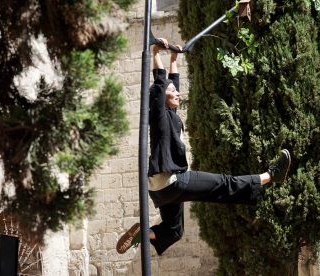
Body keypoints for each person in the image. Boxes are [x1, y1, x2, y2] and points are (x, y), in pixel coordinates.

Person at [116, 38, 291, 256]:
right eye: (172, 91)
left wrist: (173, 58)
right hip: (172, 181)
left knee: (174, 230)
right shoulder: (158, 114)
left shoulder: (169, 115)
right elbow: (161, 83)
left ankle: (144, 234)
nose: (178, 93)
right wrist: (155, 53)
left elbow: (171, 84)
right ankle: (270, 175)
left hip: (160, 190)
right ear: (161, 98)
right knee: (224, 184)